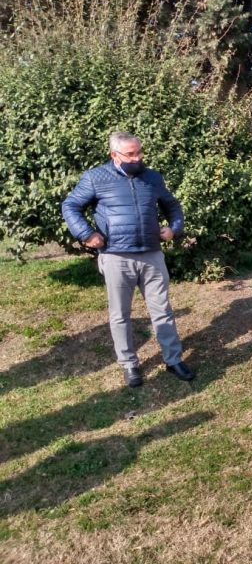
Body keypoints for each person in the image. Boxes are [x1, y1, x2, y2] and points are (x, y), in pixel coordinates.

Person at [62, 131, 195, 388]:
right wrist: (86, 234)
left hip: (152, 254)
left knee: (162, 310)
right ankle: (129, 364)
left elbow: (172, 206)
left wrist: (174, 229)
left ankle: (173, 359)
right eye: (130, 154)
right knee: (120, 315)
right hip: (115, 256)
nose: (137, 158)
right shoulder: (95, 177)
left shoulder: (152, 177)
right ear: (115, 155)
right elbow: (70, 206)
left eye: (139, 152)